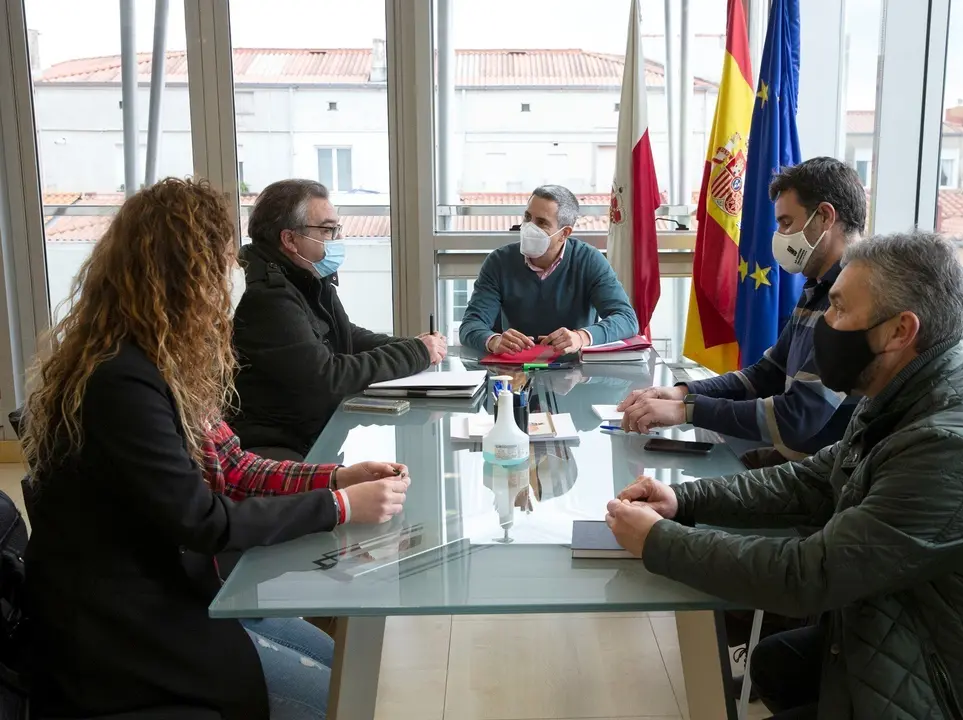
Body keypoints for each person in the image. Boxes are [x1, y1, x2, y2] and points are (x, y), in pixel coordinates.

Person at [606, 231, 963, 719]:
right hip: (931, 633)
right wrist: (683, 501)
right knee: (775, 664)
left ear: (900, 331)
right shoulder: (907, 392)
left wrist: (660, 542)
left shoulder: (952, 450)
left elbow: (810, 575)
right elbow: (815, 480)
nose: (827, 325)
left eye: (840, 309)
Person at [22, 178, 414, 720]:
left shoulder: (156, 360)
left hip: (172, 590)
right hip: (121, 625)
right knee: (331, 700)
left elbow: (233, 465)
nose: (223, 287)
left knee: (342, 674)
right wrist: (339, 508)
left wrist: (335, 479)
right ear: (180, 279)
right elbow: (204, 522)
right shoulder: (120, 382)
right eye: (214, 270)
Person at [618, 157, 865, 470]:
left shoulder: (854, 300)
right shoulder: (816, 288)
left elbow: (798, 417)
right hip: (792, 464)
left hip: (822, 480)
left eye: (787, 222)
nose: (779, 234)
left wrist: (688, 411)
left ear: (825, 216)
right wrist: (682, 392)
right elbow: (766, 375)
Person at [231, 179, 447, 459]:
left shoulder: (305, 274)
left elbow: (345, 336)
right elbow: (326, 379)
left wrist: (414, 345)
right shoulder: (266, 295)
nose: (337, 238)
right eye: (327, 229)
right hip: (279, 452)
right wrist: (414, 352)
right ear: (290, 239)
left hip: (311, 437)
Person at [458, 185, 639, 354]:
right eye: (527, 218)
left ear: (564, 233)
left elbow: (626, 319)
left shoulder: (589, 260)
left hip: (577, 372)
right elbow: (471, 325)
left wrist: (581, 337)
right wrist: (493, 341)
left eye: (542, 222)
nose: (529, 227)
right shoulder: (499, 262)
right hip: (515, 372)